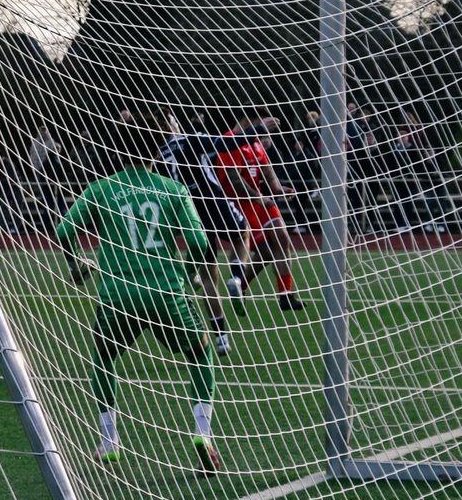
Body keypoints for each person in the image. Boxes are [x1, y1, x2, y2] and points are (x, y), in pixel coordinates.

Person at [55, 111, 221, 473]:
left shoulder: (101, 189)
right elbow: (199, 242)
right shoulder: (173, 189)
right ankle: (203, 433)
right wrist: (189, 273)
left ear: (117, 147)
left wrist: (77, 265)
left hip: (118, 295)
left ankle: (109, 442)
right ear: (158, 149)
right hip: (167, 293)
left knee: (103, 358)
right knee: (200, 352)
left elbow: (63, 231)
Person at [159, 117, 247, 354]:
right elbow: (225, 144)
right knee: (242, 233)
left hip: (189, 212)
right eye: (173, 120)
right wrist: (257, 130)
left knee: (208, 277)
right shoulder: (191, 140)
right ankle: (237, 277)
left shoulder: (159, 154)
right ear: (171, 125)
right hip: (213, 199)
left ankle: (221, 338)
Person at [215, 115, 304, 312]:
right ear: (248, 121)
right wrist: (257, 197)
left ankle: (286, 296)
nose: (262, 130)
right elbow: (233, 179)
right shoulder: (229, 141)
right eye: (260, 125)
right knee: (265, 250)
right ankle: (240, 286)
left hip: (258, 199)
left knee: (282, 237)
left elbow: (267, 170)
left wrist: (278, 187)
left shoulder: (254, 142)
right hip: (240, 203)